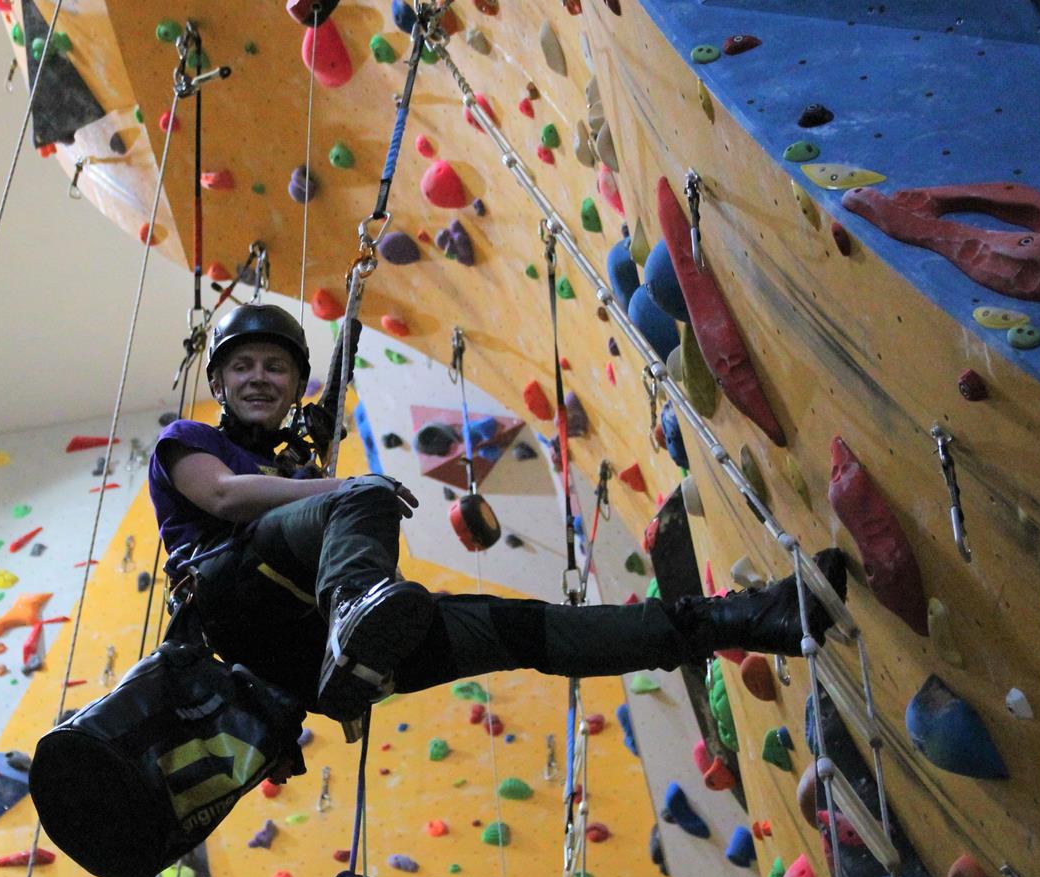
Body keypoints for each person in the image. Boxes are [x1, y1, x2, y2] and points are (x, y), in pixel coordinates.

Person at [148, 302, 848, 724]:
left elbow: (305, 457)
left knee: (524, 630)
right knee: (361, 494)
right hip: (243, 604)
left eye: (275, 367)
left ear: (295, 382)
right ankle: (355, 619)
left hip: (310, 660)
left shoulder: (293, 465)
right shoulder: (187, 441)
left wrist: (346, 349)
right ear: (219, 383)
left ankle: (750, 620)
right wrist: (345, 488)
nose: (259, 378)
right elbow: (224, 496)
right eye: (242, 367)